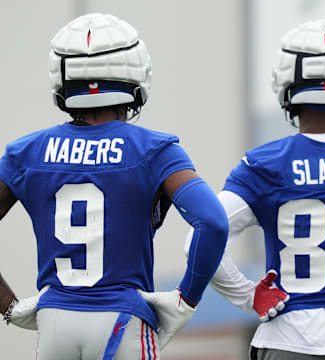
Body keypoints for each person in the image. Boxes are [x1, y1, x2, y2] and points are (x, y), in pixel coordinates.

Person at [0, 13, 229, 359]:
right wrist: (187, 299)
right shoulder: (154, 150)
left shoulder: (25, 153)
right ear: (135, 72)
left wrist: (7, 305)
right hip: (122, 320)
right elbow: (212, 222)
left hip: (54, 321)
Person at [186, 19, 325, 359]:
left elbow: (201, 237)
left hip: (288, 339)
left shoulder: (265, 165)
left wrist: (247, 295)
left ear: (286, 82)